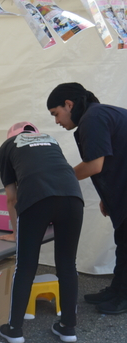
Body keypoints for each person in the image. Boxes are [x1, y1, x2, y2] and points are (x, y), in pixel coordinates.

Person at [0, 122, 83, 343]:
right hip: (73, 197)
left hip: (36, 199)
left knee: (25, 266)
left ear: (10, 136)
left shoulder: (6, 147)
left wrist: (16, 233)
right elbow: (55, 174)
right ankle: (68, 328)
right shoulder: (51, 141)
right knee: (67, 264)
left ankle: (14, 329)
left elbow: (12, 197)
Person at [47, 82, 127, 315]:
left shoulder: (93, 118)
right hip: (121, 186)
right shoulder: (97, 115)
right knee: (123, 241)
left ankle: (123, 296)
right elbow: (110, 160)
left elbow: (94, 165)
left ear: (69, 104)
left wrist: (59, 179)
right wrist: (106, 197)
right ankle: (117, 290)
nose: (56, 121)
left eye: (56, 113)